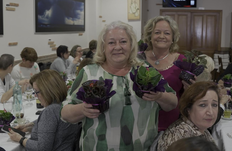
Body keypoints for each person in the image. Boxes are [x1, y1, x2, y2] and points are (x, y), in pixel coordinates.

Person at [60, 21, 178, 150]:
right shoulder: (89, 73)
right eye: (111, 42)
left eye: (123, 41)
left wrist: (159, 95)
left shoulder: (145, 70)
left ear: (131, 45)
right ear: (103, 47)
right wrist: (82, 109)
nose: (118, 47)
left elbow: (172, 103)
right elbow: (65, 114)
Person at [139, 16, 194, 131]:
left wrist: (191, 88)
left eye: (167, 33)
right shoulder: (138, 59)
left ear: (173, 38)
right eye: (157, 32)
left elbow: (188, 97)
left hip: (171, 125)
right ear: (150, 36)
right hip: (141, 125)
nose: (162, 36)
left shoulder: (182, 61)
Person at [8, 69, 79, 151]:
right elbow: (53, 125)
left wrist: (20, 139)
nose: (35, 96)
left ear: (47, 91)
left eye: (36, 92)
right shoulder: (67, 104)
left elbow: (42, 148)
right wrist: (28, 126)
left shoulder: (50, 111)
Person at [157, 81, 219, 151]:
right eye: (202, 105)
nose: (210, 112)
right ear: (188, 109)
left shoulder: (201, 129)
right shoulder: (180, 138)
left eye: (214, 105)